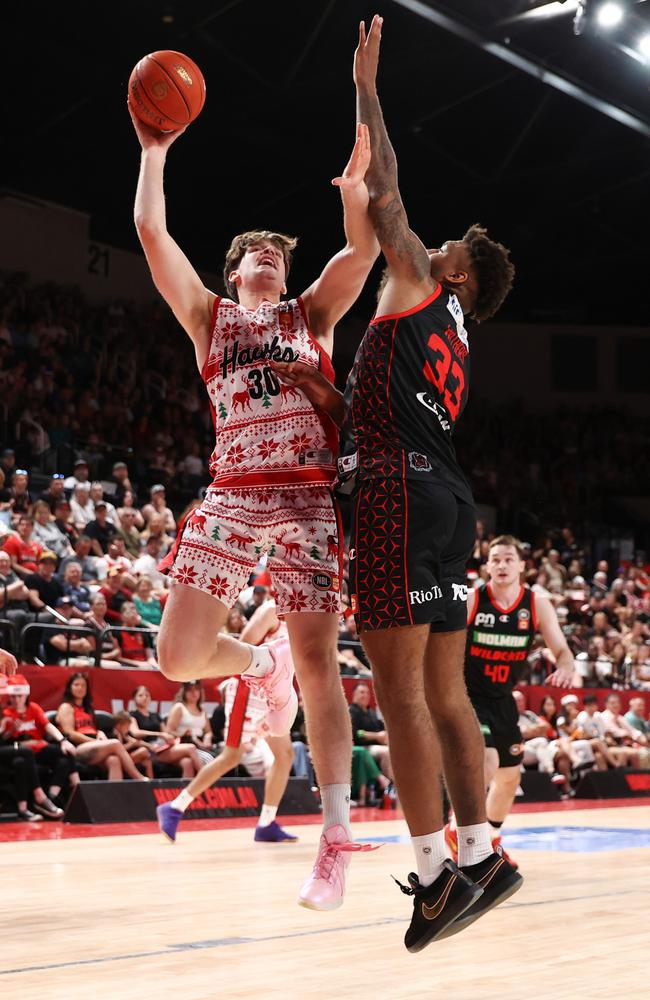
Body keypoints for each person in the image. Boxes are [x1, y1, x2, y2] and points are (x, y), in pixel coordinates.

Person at [129, 84, 380, 909]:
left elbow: (365, 250)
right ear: (235, 273)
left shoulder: (315, 311)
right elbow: (150, 232)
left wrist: (357, 195)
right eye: (255, 255)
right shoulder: (211, 319)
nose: (269, 259)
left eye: (278, 252)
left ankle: (335, 837)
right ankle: (251, 657)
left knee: (318, 668)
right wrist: (155, 150)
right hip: (233, 493)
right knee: (174, 660)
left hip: (308, 497)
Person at [336, 15, 518, 951]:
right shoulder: (458, 338)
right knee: (447, 696)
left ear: (452, 268)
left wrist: (368, 88)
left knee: (397, 693)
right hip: (449, 500)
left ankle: (439, 876)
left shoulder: (415, 278)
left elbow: (385, 189)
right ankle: (484, 848)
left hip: (405, 498)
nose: (429, 239)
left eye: (441, 242)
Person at [446, 536, 574, 868]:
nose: (501, 565)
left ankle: (490, 838)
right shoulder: (474, 599)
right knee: (485, 760)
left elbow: (560, 647)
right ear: (487, 566)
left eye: (508, 559)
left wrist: (566, 663)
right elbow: (447, 647)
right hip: (469, 695)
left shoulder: (536, 605)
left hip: (503, 698)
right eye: (495, 559)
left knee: (509, 777)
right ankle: (457, 829)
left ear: (521, 566)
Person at [157, 599, 299, 844]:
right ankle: (175, 807)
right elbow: (242, 649)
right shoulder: (271, 610)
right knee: (231, 756)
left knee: (285, 755)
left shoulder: (303, 621)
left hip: (272, 693)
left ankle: (266, 822)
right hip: (248, 689)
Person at [1, 671, 77, 809]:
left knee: (66, 756)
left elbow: (48, 726)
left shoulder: (34, 708)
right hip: (21, 751)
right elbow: (4, 740)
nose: (17, 700)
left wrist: (62, 740)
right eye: (13, 696)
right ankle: (44, 800)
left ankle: (53, 797)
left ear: (26, 695)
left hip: (39, 749)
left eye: (20, 696)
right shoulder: (6, 713)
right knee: (22, 760)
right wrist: (10, 730)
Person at [55, 672, 148, 781]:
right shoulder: (66, 707)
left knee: (114, 760)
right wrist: (94, 742)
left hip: (95, 747)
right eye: (76, 685)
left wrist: (99, 732)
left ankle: (114, 796)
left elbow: (91, 729)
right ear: (69, 688)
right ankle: (139, 778)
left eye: (83, 685)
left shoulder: (88, 709)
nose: (80, 688)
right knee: (115, 743)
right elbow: (70, 733)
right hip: (77, 748)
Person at [129, 684, 201, 778]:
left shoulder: (155, 715)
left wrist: (180, 735)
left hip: (162, 748)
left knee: (187, 762)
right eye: (141, 695)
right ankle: (207, 778)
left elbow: (167, 733)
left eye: (147, 695)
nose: (145, 698)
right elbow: (136, 733)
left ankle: (187, 791)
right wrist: (159, 734)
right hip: (149, 749)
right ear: (134, 699)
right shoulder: (132, 715)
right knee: (190, 748)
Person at [164, 681, 214, 766]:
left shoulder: (202, 710)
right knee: (209, 759)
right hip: (186, 742)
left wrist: (207, 739)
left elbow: (208, 731)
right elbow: (168, 731)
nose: (194, 693)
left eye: (196, 689)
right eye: (190, 690)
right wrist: (182, 734)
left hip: (201, 743)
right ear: (184, 692)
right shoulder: (179, 707)